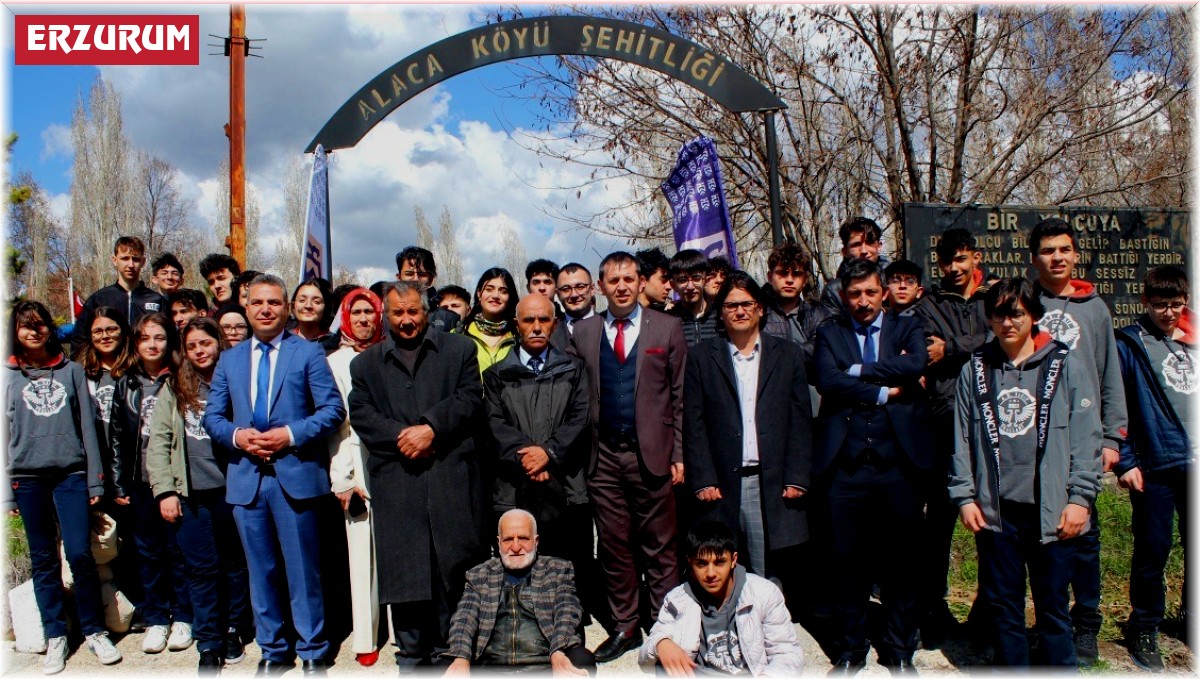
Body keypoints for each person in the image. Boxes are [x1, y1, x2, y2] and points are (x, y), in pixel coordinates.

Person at [949, 278, 1102, 667]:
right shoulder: (976, 369)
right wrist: (965, 497)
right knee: (1004, 606)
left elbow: (1087, 437)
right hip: (998, 512)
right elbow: (962, 437)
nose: (1008, 322)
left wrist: (1080, 499)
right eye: (999, 314)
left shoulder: (1064, 363)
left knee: (1052, 606)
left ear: (1033, 315)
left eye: (1016, 312)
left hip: (1051, 510)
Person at [203, 273, 346, 676]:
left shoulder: (307, 354)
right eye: (258, 303)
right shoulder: (229, 359)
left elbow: (332, 411)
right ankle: (273, 649)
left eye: (274, 303)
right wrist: (237, 435)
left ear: (286, 309)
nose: (266, 309)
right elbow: (212, 416)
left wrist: (288, 435)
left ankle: (313, 648)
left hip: (295, 476)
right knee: (260, 571)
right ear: (246, 308)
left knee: (303, 569)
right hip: (248, 480)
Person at [348, 281, 486, 672]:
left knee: (453, 571)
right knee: (405, 573)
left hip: (449, 479)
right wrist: (402, 437)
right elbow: (361, 414)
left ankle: (455, 651)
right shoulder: (366, 365)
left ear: (426, 311)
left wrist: (431, 428)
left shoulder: (459, 350)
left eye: (413, 311)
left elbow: (469, 398)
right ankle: (411, 657)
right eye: (398, 313)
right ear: (385, 316)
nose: (406, 320)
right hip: (398, 482)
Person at [811, 257, 930, 673]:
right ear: (844, 298)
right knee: (847, 563)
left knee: (901, 563)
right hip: (845, 468)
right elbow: (827, 379)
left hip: (898, 465)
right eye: (854, 294)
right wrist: (882, 392)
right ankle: (850, 649)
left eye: (870, 292)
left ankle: (899, 649)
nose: (863, 301)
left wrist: (858, 370)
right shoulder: (829, 334)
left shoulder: (907, 327)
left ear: (884, 293)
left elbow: (915, 364)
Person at [569, 251, 687, 663]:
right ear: (600, 288)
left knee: (660, 547)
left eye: (628, 279)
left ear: (640, 283)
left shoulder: (668, 328)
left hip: (652, 457)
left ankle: (665, 626)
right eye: (612, 280)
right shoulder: (584, 332)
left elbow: (679, 397)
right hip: (602, 459)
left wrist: (679, 453)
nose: (620, 286)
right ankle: (625, 625)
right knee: (616, 547)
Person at [3, 301, 123, 673]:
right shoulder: (7, 375)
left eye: (41, 325)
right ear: (15, 332)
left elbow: (88, 426)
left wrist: (93, 479)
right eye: (26, 326)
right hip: (27, 478)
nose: (35, 331)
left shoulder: (70, 371)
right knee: (43, 559)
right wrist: (7, 491)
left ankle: (94, 631)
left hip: (70, 476)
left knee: (80, 553)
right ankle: (56, 634)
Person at [1028, 217, 1128, 665]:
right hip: (1036, 439)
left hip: (1084, 438)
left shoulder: (1095, 309)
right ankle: (1049, 622)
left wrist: (1112, 436)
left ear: (1075, 255)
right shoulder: (1026, 304)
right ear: (1035, 258)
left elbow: (1110, 375)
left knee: (1084, 538)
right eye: (1049, 250)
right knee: (1041, 537)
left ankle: (1087, 621)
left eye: (1064, 249)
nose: (1058, 257)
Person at [684, 271, 813, 581]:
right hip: (722, 482)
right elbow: (694, 422)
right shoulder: (702, 357)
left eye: (746, 303)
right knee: (721, 564)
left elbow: (800, 421)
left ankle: (766, 626)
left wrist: (797, 476)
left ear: (760, 308)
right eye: (730, 305)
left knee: (768, 569)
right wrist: (703, 478)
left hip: (770, 478)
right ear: (720, 311)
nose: (739, 311)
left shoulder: (788, 355)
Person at [483, 294, 598, 625]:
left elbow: (579, 419)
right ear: (516, 325)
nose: (536, 327)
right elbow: (494, 425)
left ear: (555, 323)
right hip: (514, 486)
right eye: (529, 320)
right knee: (521, 558)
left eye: (543, 320)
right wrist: (529, 458)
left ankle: (568, 627)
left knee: (569, 559)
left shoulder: (573, 369)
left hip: (565, 481)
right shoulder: (496, 375)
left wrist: (549, 453)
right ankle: (524, 629)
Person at [145, 318, 251, 672]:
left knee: (236, 565)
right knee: (201, 570)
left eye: (205, 343)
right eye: (192, 346)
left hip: (233, 489)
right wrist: (165, 491)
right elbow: (158, 442)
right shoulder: (175, 389)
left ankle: (235, 628)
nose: (199, 351)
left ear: (218, 343)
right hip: (192, 496)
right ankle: (208, 641)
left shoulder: (238, 381)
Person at [910, 228, 991, 648]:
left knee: (993, 520)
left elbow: (1004, 336)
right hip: (945, 419)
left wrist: (957, 346)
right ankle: (934, 606)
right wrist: (978, 344)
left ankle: (990, 607)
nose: (955, 268)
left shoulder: (995, 295)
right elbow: (929, 349)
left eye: (962, 259)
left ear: (975, 257)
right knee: (940, 521)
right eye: (947, 262)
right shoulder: (927, 306)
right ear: (939, 265)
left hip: (994, 417)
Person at [1115, 266, 1194, 671]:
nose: (1168, 313)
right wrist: (1125, 460)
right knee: (1154, 548)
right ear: (1145, 302)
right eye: (1160, 305)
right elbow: (1118, 404)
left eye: (1176, 305)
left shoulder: (1195, 339)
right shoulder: (1130, 343)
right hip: (1156, 463)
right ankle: (1144, 624)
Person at [109, 312, 195, 655]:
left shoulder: (179, 379)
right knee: (148, 553)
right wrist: (118, 484)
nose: (152, 344)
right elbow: (116, 436)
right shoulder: (125, 383)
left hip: (175, 481)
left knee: (178, 551)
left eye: (159, 337)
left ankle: (184, 617)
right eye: (145, 338)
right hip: (139, 482)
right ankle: (158, 618)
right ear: (135, 343)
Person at [638, 520, 804, 677]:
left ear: (733, 560)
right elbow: (646, 656)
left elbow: (787, 653)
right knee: (663, 663)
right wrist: (661, 643)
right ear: (690, 562)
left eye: (719, 562)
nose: (711, 574)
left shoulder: (763, 593)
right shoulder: (677, 599)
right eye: (701, 564)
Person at [442, 509, 597, 676]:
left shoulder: (556, 570)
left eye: (523, 538)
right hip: (491, 667)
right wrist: (461, 658)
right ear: (499, 542)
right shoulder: (480, 575)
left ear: (536, 541)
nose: (515, 547)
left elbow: (567, 611)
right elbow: (464, 618)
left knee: (582, 660)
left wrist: (558, 651)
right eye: (508, 539)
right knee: (440, 668)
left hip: (544, 665)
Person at [325, 288, 386, 667]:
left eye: (370, 312)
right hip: (355, 458)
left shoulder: (390, 353)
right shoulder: (334, 362)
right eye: (357, 312)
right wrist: (342, 478)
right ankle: (366, 635)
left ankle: (399, 628)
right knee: (361, 549)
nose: (364, 319)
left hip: (393, 460)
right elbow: (336, 427)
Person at [71, 236, 169, 354]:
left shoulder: (157, 300)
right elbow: (79, 340)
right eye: (125, 258)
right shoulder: (99, 299)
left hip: (146, 369)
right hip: (109, 369)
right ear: (114, 260)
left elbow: (170, 338)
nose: (131, 264)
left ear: (143, 261)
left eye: (136, 259)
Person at [761, 242, 832, 371]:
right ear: (770, 277)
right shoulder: (758, 314)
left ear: (805, 280)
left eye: (796, 274)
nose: (789, 280)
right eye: (782, 273)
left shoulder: (819, 314)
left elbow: (822, 352)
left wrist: (775, 351)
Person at [819, 217, 888, 322]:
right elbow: (831, 331)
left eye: (870, 242)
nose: (864, 250)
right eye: (856, 245)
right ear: (844, 251)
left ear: (879, 246)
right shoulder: (834, 290)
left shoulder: (895, 283)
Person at [460, 268, 519, 376]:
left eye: (503, 291)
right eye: (489, 289)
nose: (496, 296)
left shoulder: (518, 337)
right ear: (479, 293)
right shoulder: (459, 334)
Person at [668, 250, 722, 347]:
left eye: (696, 278)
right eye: (682, 280)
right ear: (673, 285)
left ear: (705, 280)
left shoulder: (721, 317)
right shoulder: (667, 321)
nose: (690, 287)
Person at [551, 263, 596, 351]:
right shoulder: (549, 333)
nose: (574, 294)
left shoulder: (612, 328)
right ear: (557, 293)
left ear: (592, 289)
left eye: (580, 287)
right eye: (566, 289)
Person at [289, 278, 334, 342]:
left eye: (316, 302)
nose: (308, 306)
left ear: (326, 307)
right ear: (293, 306)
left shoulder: (336, 344)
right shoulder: (282, 341)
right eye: (302, 300)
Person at [636, 248, 673, 312]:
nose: (669, 287)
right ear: (642, 281)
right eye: (663, 279)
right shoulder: (620, 315)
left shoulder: (668, 316)